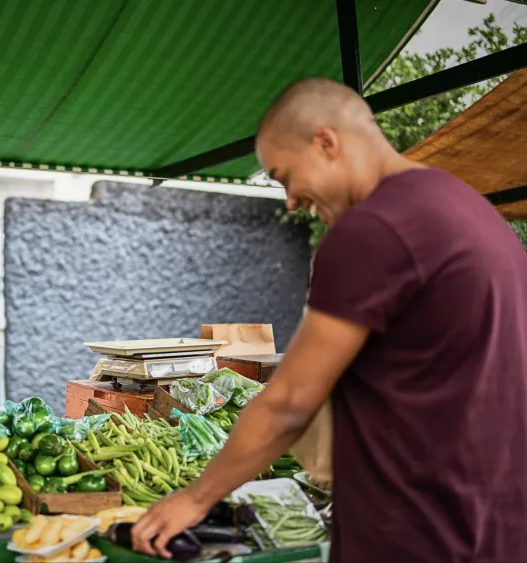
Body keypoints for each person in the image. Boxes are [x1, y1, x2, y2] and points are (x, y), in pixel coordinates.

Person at [132, 77, 527, 562]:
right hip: (495, 531)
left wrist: (193, 500)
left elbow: (291, 404)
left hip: (414, 537)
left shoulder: (372, 229)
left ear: (326, 142)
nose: (291, 200)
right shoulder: (477, 213)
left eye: (282, 176)